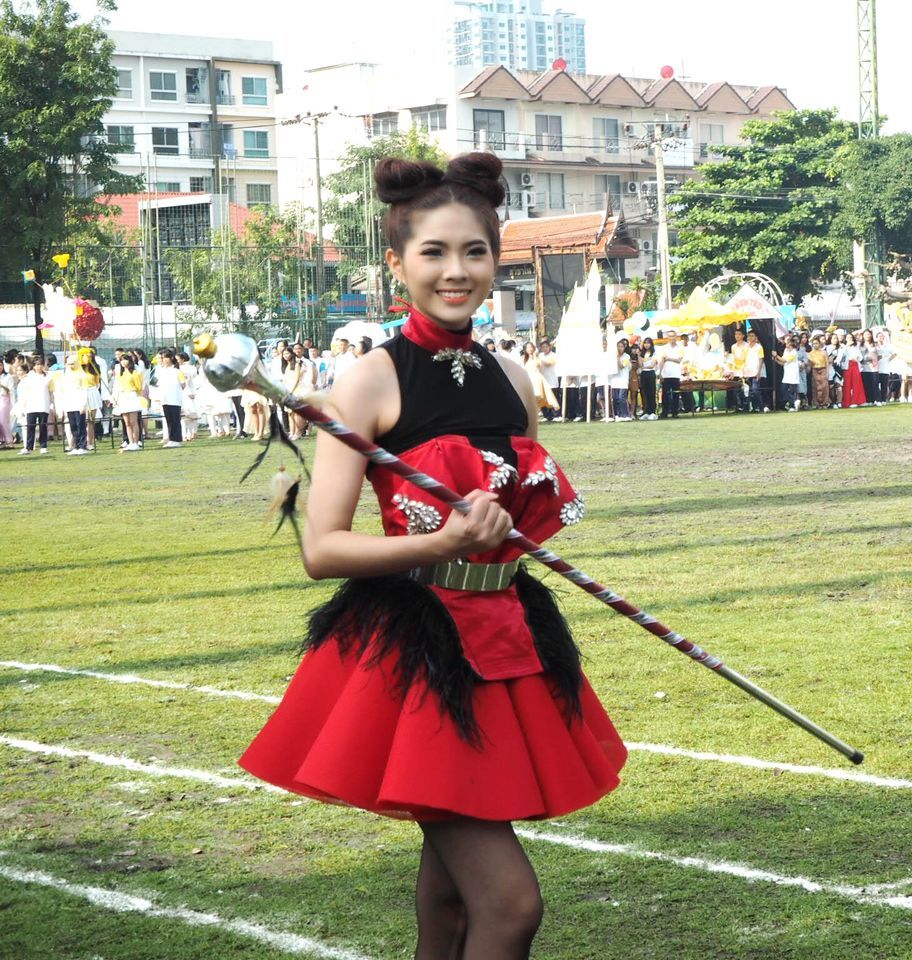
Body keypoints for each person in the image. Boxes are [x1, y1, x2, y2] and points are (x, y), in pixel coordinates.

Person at [238, 153, 625, 960]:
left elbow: (519, 508)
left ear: (497, 256)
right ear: (398, 263)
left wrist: (503, 540)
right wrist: (444, 542)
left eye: (475, 251)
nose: (457, 271)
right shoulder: (371, 381)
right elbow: (324, 550)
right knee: (510, 906)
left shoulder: (515, 379)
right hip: (418, 653)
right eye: (434, 253)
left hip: (508, 642)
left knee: (450, 906)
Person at [17, 356, 51, 455]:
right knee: (30, 426)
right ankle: (28, 447)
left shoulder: (47, 376)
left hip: (43, 404)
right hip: (31, 405)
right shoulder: (29, 377)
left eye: (40, 364)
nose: (39, 367)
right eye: (37, 365)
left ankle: (43, 446)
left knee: (42, 426)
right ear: (33, 366)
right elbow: (24, 391)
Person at [152, 349, 186, 447]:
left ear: (171, 358)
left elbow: (183, 384)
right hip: (165, 398)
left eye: (166, 358)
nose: (164, 360)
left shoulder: (177, 371)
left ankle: (177, 439)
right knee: (169, 420)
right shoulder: (161, 371)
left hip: (174, 399)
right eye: (162, 358)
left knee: (175, 420)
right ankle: (171, 439)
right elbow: (155, 383)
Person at [112, 355, 145, 451]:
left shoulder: (135, 372)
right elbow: (117, 386)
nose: (123, 362)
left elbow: (139, 387)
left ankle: (136, 441)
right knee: (126, 422)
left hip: (132, 395)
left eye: (125, 360)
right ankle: (130, 442)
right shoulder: (120, 373)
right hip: (122, 397)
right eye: (121, 360)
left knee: (133, 421)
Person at [658, 330, 684, 418]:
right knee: (665, 394)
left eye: (673, 336)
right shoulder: (664, 348)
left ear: (676, 337)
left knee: (676, 394)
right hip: (666, 374)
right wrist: (660, 372)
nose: (671, 338)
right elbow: (661, 360)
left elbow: (679, 360)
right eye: (669, 336)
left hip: (676, 374)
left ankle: (675, 412)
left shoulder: (680, 348)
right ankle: (665, 412)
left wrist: (668, 358)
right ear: (667, 338)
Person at [773, 334, 800, 411]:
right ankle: (794, 401)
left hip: (793, 375)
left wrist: (776, 355)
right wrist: (776, 360)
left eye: (788, 343)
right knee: (783, 390)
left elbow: (785, 360)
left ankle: (793, 405)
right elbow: (783, 363)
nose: (787, 345)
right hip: (786, 374)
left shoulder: (794, 352)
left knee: (792, 391)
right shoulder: (785, 351)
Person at [742, 329, 766, 412]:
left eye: (752, 336)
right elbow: (744, 359)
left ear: (756, 337)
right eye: (749, 336)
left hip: (756, 371)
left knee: (756, 390)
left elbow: (761, 359)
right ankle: (754, 407)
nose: (750, 337)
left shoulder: (759, 347)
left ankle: (761, 407)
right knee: (750, 391)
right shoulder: (746, 347)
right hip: (748, 371)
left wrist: (758, 372)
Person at [638, 337, 659, 419]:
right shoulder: (642, 353)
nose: (646, 345)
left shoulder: (654, 353)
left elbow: (652, 365)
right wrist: (639, 357)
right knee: (644, 393)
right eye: (645, 343)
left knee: (651, 392)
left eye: (648, 343)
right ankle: (646, 411)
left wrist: (644, 364)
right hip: (643, 374)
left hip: (650, 373)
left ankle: (652, 411)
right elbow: (640, 365)